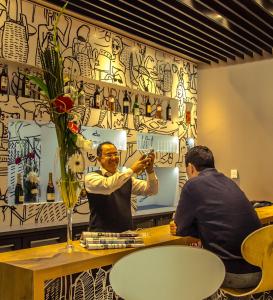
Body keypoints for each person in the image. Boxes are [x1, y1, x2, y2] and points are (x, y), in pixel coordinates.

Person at [170, 145, 262, 297]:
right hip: (261, 269)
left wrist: (183, 227)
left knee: (187, 270)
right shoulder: (228, 181)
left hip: (234, 275)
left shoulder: (192, 185)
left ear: (191, 168)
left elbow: (180, 227)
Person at [85, 141, 158, 232]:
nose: (113, 158)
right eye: (109, 155)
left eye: (115, 154)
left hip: (126, 234)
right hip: (101, 236)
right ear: (99, 159)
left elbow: (152, 190)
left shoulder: (125, 178)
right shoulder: (91, 177)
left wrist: (150, 171)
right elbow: (108, 186)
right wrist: (132, 170)